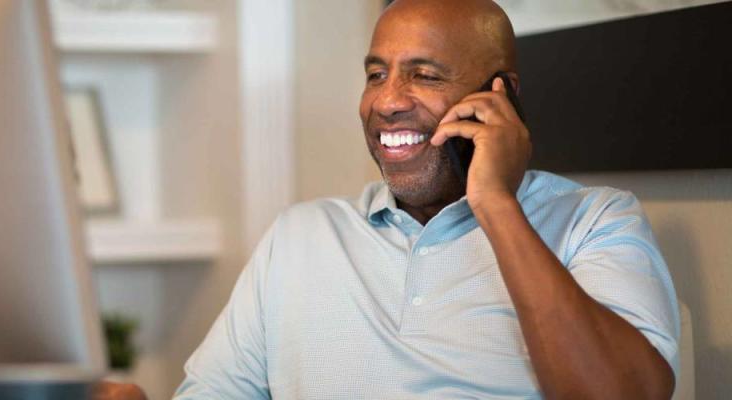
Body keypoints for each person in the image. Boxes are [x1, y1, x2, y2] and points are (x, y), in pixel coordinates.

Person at [170, 0, 680, 399]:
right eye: (376, 74)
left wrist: (496, 204)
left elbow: (623, 395)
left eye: (425, 75)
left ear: (501, 95)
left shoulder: (595, 221)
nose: (387, 102)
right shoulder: (301, 234)